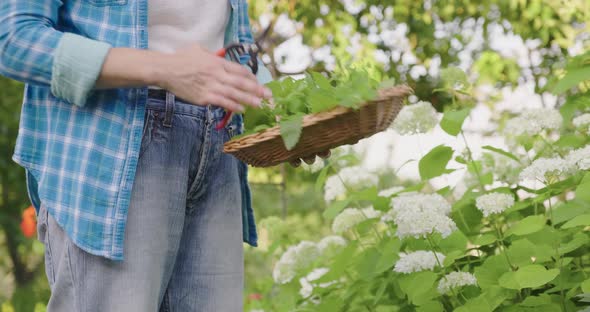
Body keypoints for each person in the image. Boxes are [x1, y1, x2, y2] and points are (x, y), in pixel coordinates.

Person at [0, 0, 325, 311]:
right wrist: (164, 69)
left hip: (219, 144)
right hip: (112, 151)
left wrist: (282, 112)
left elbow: (224, 44)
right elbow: (15, 37)